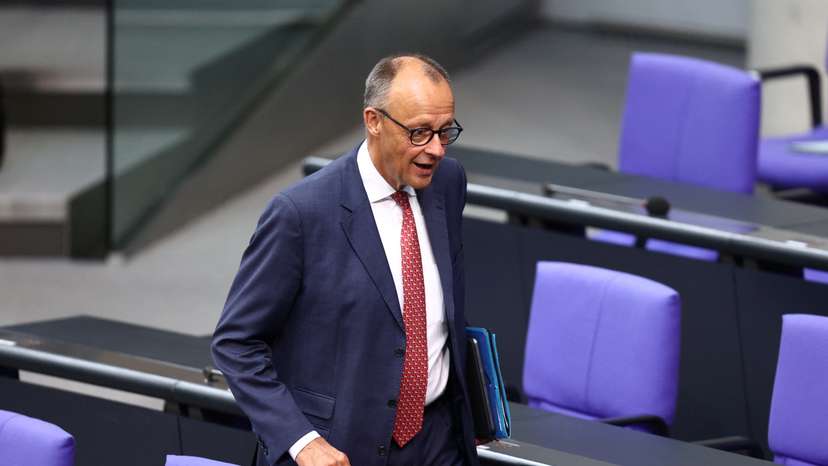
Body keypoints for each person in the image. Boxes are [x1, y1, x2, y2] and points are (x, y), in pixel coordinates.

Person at [211, 53, 478, 466]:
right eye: (420, 132)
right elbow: (236, 343)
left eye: (447, 131)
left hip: (438, 445)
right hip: (340, 452)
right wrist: (301, 442)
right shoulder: (301, 214)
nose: (437, 149)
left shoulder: (448, 183)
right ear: (373, 120)